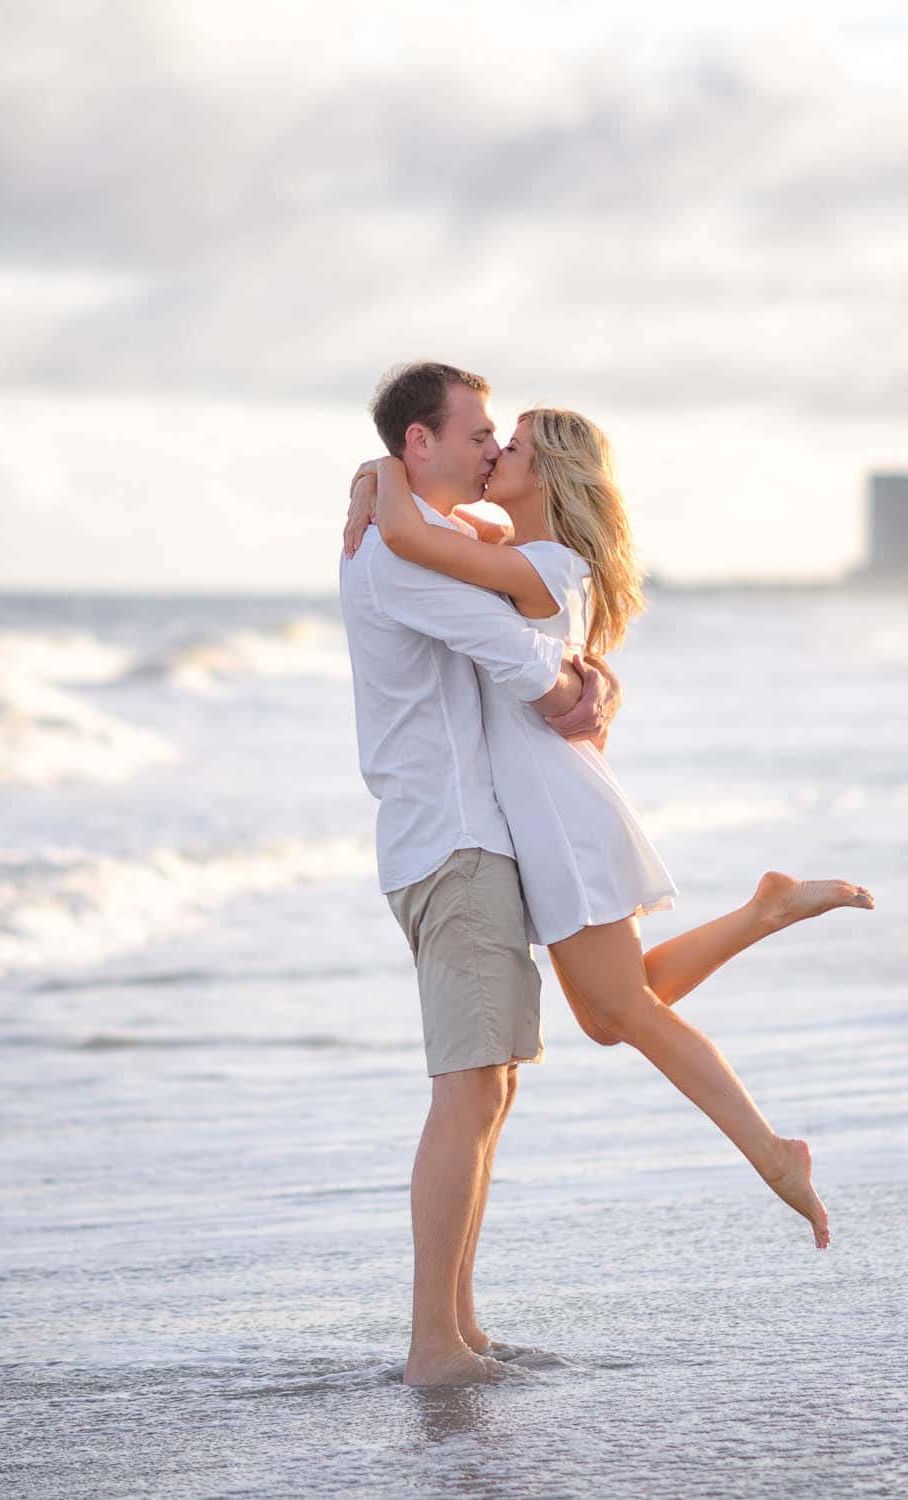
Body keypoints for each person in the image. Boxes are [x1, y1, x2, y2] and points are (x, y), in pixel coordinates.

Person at [343, 399, 874, 1271]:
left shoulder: (542, 564)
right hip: (549, 805)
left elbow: (413, 538)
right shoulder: (524, 558)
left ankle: (774, 1151)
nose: (492, 456)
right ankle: (765, 910)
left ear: (548, 475)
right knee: (611, 1010)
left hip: (558, 811)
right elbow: (439, 526)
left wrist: (379, 472)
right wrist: (390, 480)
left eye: (508, 447)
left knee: (624, 1009)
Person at [338, 362, 618, 1389]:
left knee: (489, 1088)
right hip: (451, 849)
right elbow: (516, 660)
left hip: (462, 844)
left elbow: (506, 581)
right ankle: (430, 1348)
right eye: (475, 433)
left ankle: (460, 1325)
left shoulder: (418, 536)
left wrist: (590, 671)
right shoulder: (396, 561)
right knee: (466, 1092)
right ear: (422, 442)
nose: (490, 448)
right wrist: (576, 688)